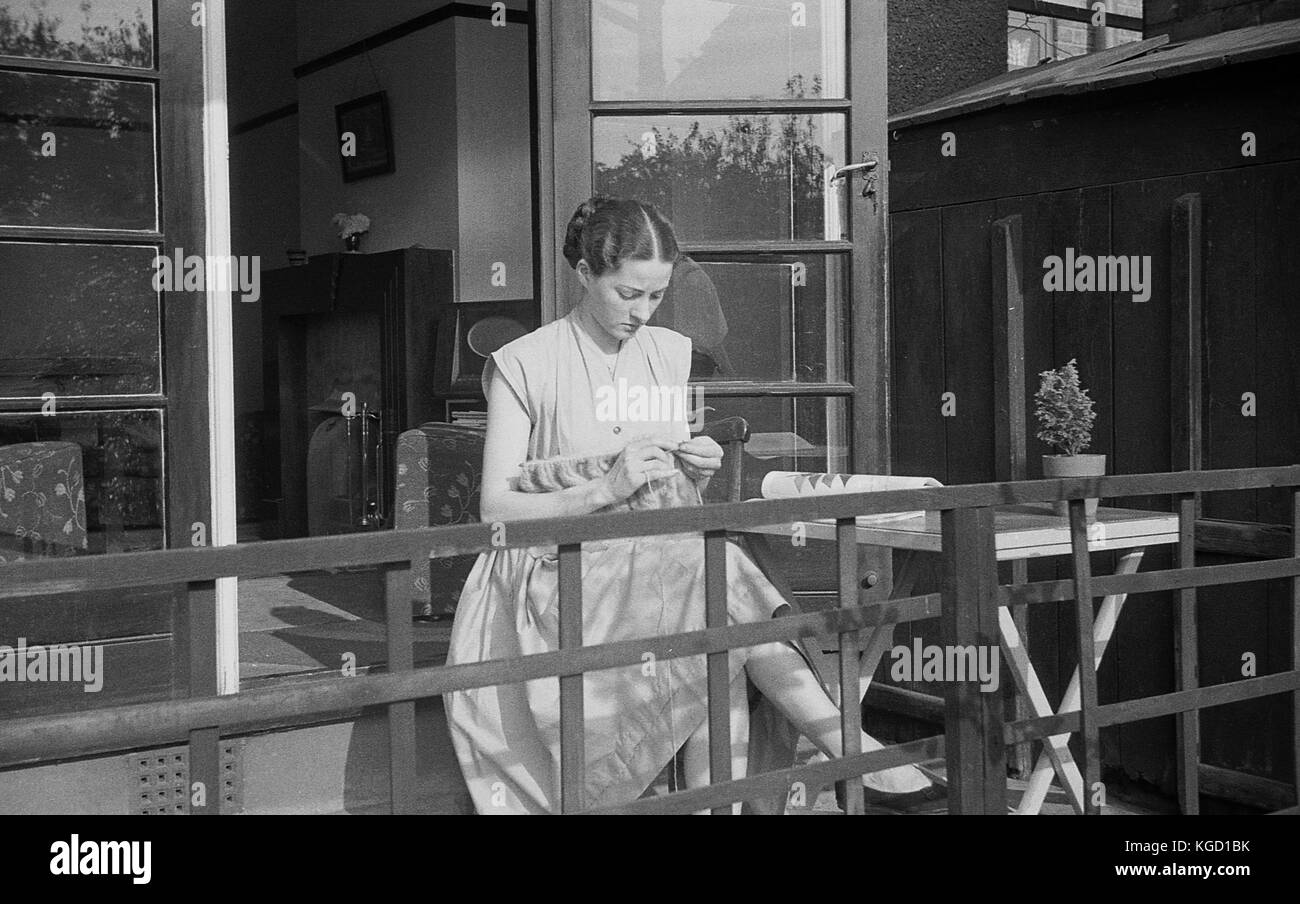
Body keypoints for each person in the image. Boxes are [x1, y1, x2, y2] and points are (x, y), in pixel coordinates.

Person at [443, 196, 941, 814]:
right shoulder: (524, 363)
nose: (641, 312)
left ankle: (827, 758)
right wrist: (603, 490)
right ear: (582, 275)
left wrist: (695, 468)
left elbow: (668, 493)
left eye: (654, 295)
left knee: (716, 620)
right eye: (627, 293)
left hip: (653, 565)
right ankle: (851, 749)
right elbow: (494, 510)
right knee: (719, 587)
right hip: (555, 573)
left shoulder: (665, 354)